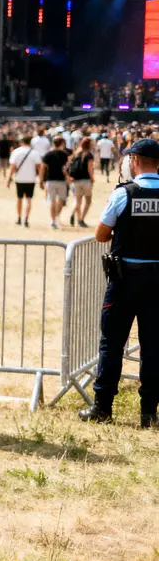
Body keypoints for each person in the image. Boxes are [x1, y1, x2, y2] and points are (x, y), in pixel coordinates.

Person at [77, 138, 159, 429]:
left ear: (134, 160)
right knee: (153, 347)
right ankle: (149, 412)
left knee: (111, 345)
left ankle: (102, 407)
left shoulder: (123, 194)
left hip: (125, 280)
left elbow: (101, 234)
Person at [8, 135, 43, 227]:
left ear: (22, 141)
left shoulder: (16, 152)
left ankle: (19, 217)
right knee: (29, 199)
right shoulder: (34, 153)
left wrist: (9, 178)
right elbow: (39, 167)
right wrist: (41, 179)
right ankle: (26, 219)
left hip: (19, 178)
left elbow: (12, 167)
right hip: (31, 179)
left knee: (19, 198)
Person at [41, 137, 71, 230]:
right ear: (61, 143)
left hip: (50, 180)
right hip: (61, 180)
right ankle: (57, 216)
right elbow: (65, 168)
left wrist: (41, 179)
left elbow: (43, 168)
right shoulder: (64, 155)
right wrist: (67, 176)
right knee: (61, 200)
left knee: (52, 201)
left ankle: (53, 220)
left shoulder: (48, 154)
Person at [66, 137, 96, 229]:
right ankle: (81, 219)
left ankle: (74, 213)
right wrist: (92, 179)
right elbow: (89, 169)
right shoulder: (89, 155)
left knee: (78, 201)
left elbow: (69, 164)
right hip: (86, 180)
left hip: (75, 180)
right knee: (88, 201)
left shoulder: (76, 153)